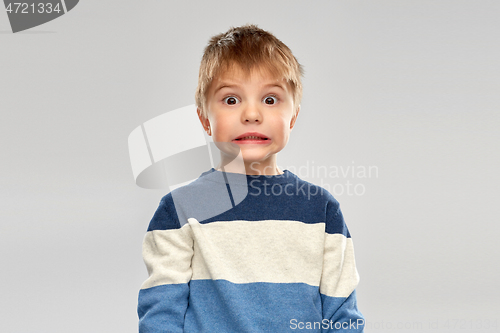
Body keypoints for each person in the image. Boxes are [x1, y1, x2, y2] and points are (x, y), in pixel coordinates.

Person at [137, 24, 365, 332]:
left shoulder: (321, 210)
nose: (252, 114)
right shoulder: (179, 209)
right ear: (205, 119)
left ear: (293, 116)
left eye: (270, 99)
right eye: (231, 100)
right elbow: (161, 316)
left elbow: (342, 316)